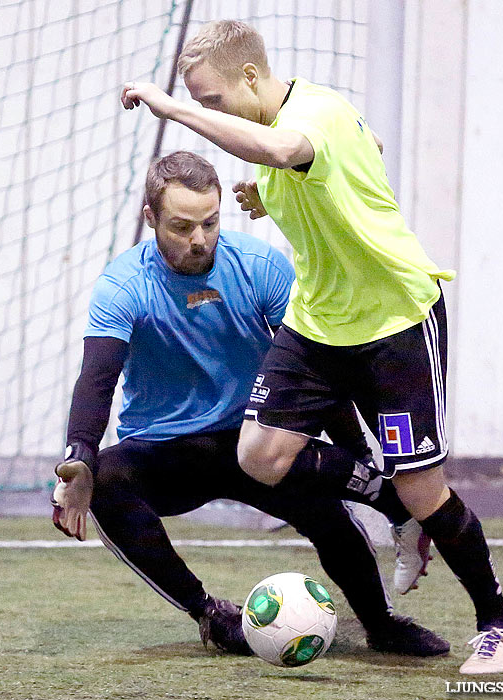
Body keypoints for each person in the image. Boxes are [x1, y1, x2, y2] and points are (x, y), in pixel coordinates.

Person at [120, 19, 503, 675]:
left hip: (392, 320)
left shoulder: (306, 119)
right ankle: (388, 504)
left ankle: (497, 624)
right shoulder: (294, 134)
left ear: (250, 76)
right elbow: (346, 152)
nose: (209, 111)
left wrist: (172, 108)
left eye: (213, 99)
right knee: (259, 454)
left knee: (425, 489)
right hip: (318, 324)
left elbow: (288, 150)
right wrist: (268, 194)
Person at [50, 150, 449, 657]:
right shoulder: (122, 285)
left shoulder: (260, 267)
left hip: (254, 442)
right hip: (169, 451)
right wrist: (81, 455)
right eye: (181, 226)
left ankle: (382, 620)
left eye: (210, 223)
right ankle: (209, 614)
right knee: (105, 481)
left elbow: (316, 371)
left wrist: (357, 455)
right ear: (150, 218)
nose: (198, 239)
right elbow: (96, 380)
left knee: (329, 517)